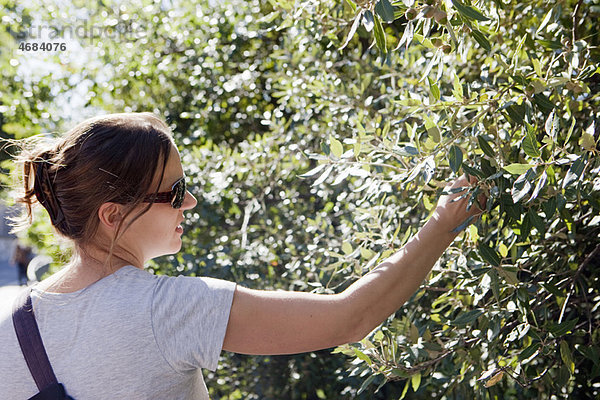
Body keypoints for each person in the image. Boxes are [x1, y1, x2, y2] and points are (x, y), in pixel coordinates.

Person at [0, 113, 483, 399]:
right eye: (175, 192)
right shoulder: (167, 309)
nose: (189, 203)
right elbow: (349, 318)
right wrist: (444, 223)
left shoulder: (7, 320)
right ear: (111, 214)